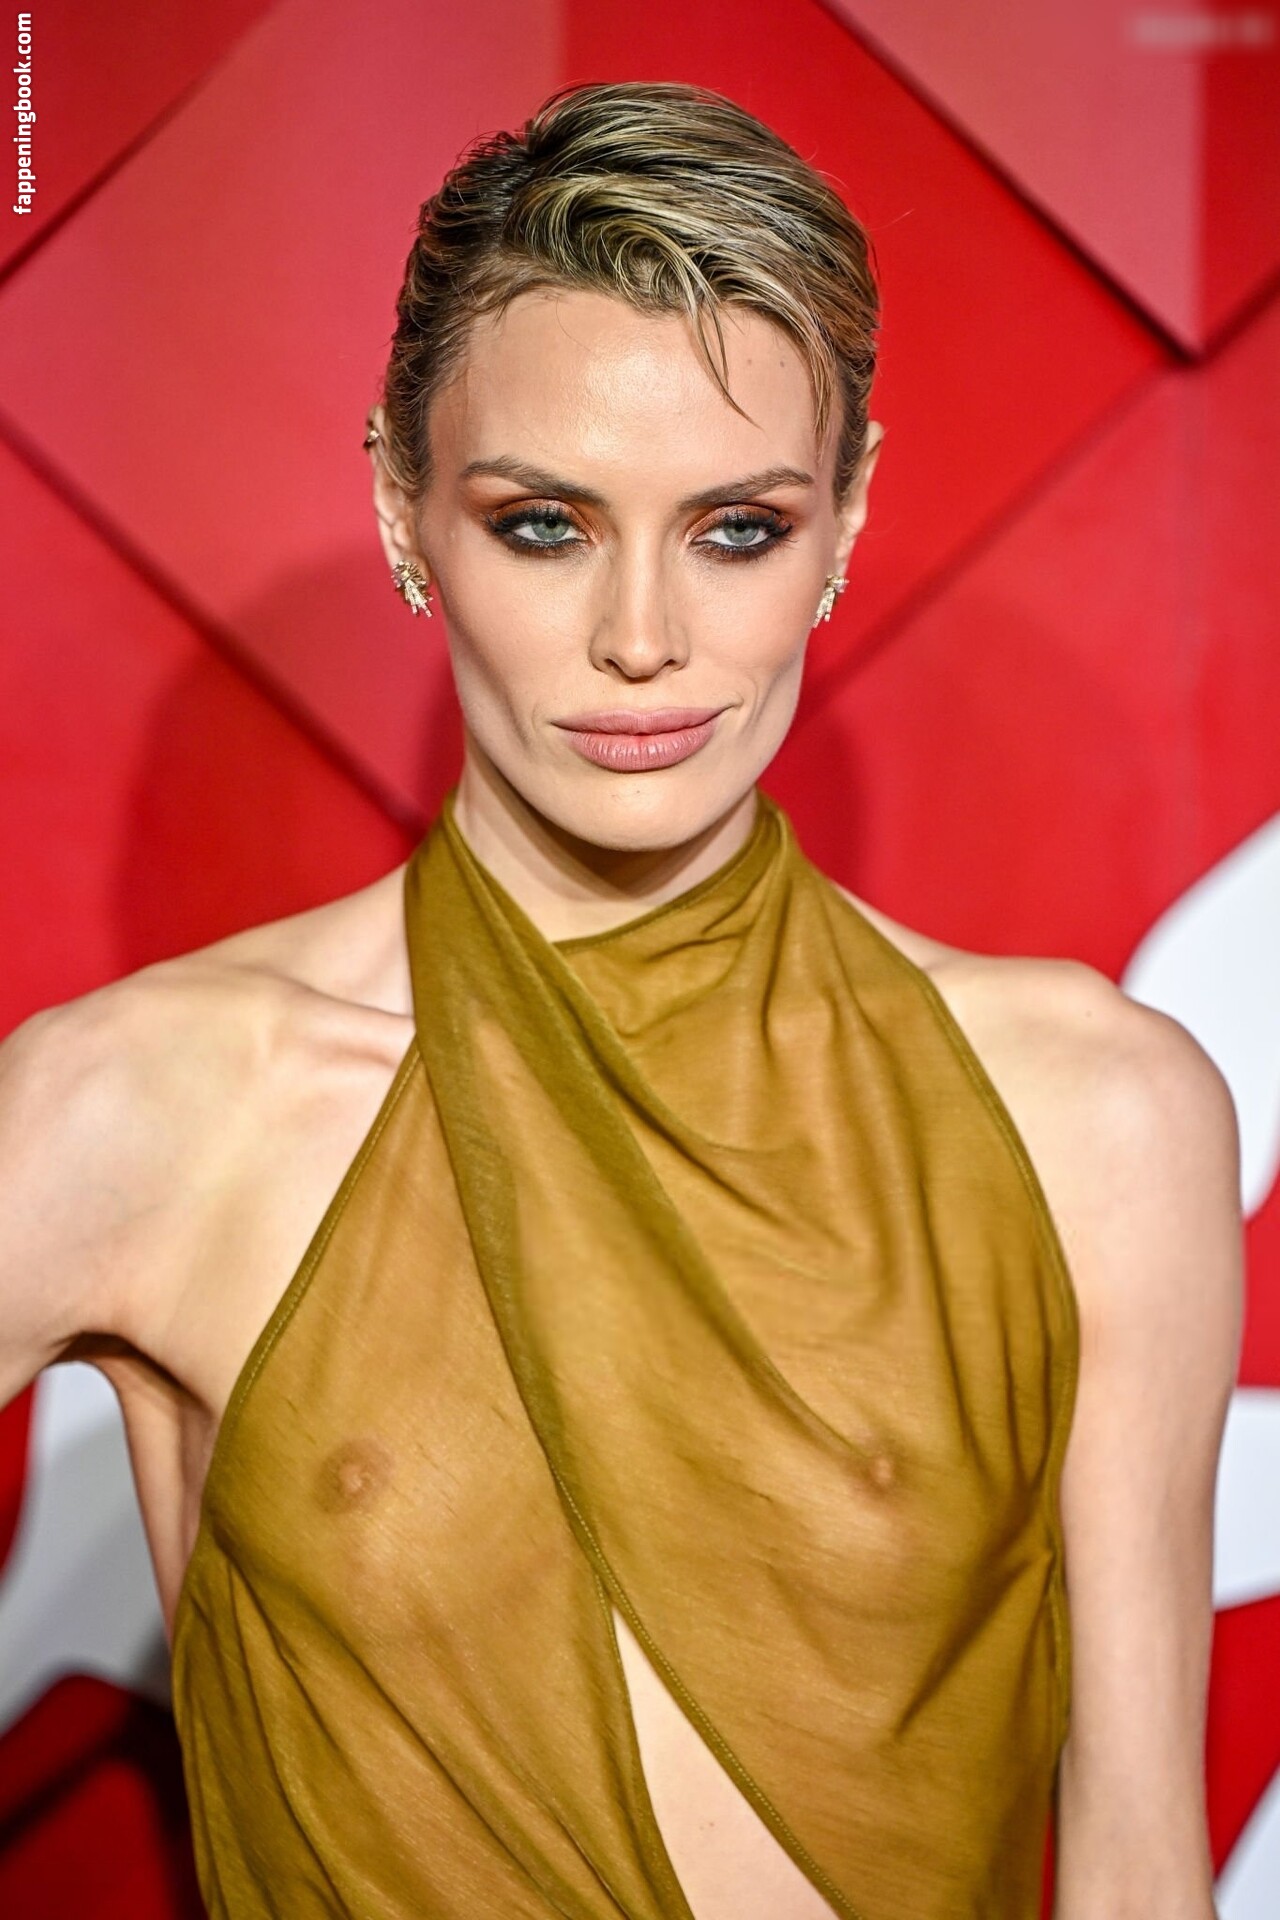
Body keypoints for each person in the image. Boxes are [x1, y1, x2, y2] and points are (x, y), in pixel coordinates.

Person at [0, 79, 1241, 1920]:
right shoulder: (142, 1110)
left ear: (847, 517)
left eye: (736, 528)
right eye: (544, 525)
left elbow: (1138, 1860)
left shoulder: (1096, 1115)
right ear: (404, 504)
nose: (642, 639)